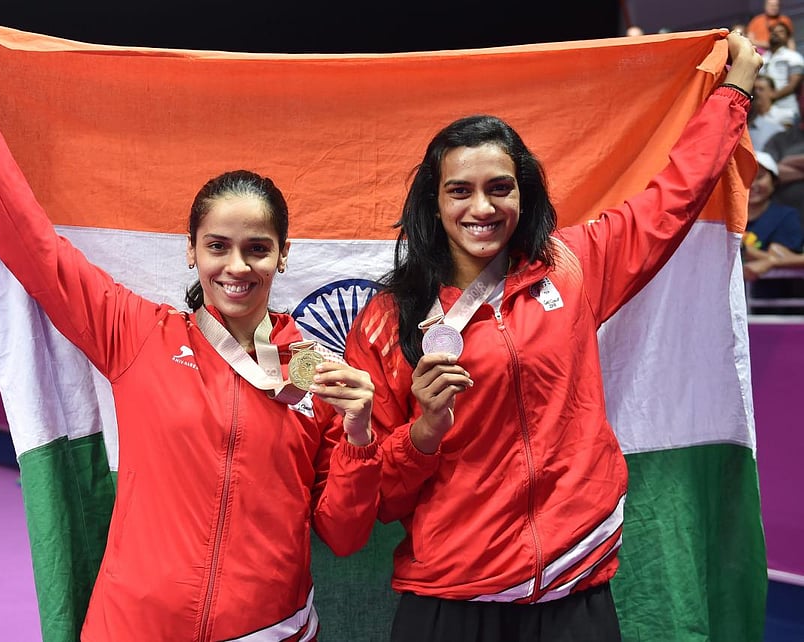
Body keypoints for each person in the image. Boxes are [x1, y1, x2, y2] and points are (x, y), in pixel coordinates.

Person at [0, 39, 382, 642]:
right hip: (136, 625)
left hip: (271, 629)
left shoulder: (317, 374)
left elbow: (344, 535)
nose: (237, 266)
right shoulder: (137, 333)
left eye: (257, 248)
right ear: (192, 251)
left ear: (282, 255)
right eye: (218, 246)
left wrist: (359, 436)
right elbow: (32, 245)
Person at [344, 31, 761, 641]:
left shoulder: (572, 265)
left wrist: (735, 91)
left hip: (573, 585)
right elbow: (379, 495)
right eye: (459, 191)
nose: (482, 208)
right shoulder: (388, 320)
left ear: (524, 192)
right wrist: (424, 433)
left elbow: (672, 198)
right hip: (452, 598)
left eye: (500, 187)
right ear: (432, 205)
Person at [743, 151, 804, 280]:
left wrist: (745, 251)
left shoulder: (785, 216)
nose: (753, 184)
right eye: (745, 178)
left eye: (760, 177)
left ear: (774, 181)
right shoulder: (724, 218)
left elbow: (781, 254)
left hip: (773, 290)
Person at [760, 22, 804, 127]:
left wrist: (771, 96)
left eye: (781, 32)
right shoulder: (763, 58)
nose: (775, 33)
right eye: (773, 32)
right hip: (764, 112)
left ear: (788, 37)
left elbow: (793, 85)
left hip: (786, 110)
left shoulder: (793, 57)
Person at [749, 75, 786, 150]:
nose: (756, 92)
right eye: (754, 89)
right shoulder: (747, 116)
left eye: (761, 89)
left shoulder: (784, 116)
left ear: (772, 92)